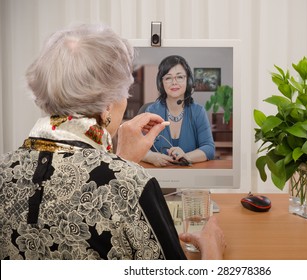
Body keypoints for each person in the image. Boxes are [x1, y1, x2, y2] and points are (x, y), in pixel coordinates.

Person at [0, 24, 226, 260]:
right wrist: (212, 247)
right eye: (124, 91)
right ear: (108, 104)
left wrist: (120, 162)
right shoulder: (132, 184)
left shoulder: (4, 169)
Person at [142, 55, 215, 167]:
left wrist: (186, 157)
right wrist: (150, 157)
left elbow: (209, 148)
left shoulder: (198, 112)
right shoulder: (152, 111)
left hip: (190, 178)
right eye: (168, 78)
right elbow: (139, 147)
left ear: (188, 81)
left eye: (180, 77)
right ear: (161, 83)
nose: (174, 82)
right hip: (159, 177)